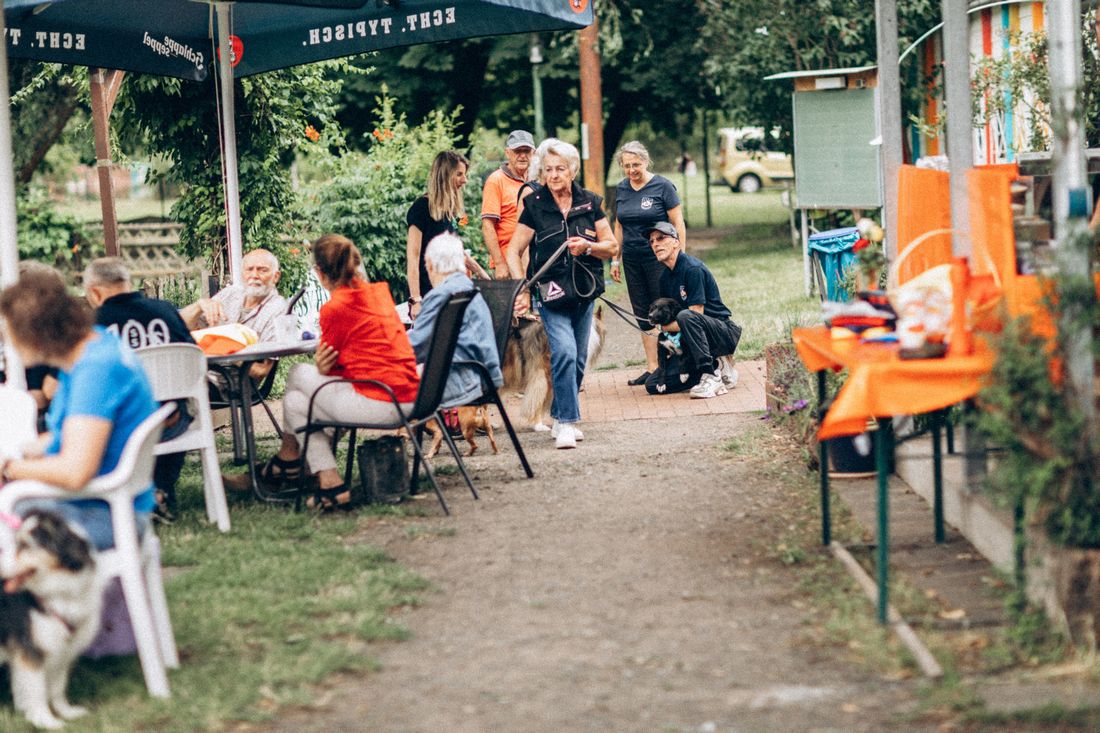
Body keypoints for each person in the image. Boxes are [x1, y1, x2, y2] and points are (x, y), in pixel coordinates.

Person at [0, 268, 159, 550]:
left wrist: (11, 468)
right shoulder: (95, 344)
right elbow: (77, 433)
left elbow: (75, 472)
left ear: (32, 332)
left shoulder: (94, 371)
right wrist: (24, 450)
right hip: (106, 502)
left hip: (101, 513)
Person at [262, 234, 419, 511]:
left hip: (382, 401)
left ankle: (287, 460)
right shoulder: (379, 293)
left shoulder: (335, 308)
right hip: (411, 396)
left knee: (298, 373)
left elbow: (330, 371)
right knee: (296, 403)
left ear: (319, 273)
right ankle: (330, 483)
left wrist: (323, 367)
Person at [505, 139, 616, 449]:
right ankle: (567, 422)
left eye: (560, 169)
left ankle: (557, 412)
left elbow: (611, 246)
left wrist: (589, 247)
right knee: (564, 352)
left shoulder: (590, 202)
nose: (553, 175)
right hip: (550, 293)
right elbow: (513, 251)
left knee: (578, 358)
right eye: (548, 169)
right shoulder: (535, 205)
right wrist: (521, 287)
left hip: (584, 291)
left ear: (572, 171)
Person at [84, 257, 196, 520]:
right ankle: (160, 489)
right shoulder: (165, 311)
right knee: (171, 404)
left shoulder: (92, 326)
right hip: (170, 422)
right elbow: (193, 356)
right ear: (128, 283)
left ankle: (120, 495)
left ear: (95, 292)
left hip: (118, 428)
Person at [612, 141, 686, 387]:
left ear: (646, 161)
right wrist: (615, 258)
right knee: (643, 313)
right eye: (626, 166)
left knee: (665, 311)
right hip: (632, 259)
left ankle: (674, 366)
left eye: (636, 164)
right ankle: (653, 367)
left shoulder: (662, 186)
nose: (631, 170)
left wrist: (679, 256)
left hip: (659, 258)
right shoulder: (621, 189)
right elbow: (619, 225)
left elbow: (678, 222)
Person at [646, 221, 742, 399]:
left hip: (720, 334)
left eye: (661, 238)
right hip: (689, 342)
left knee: (686, 316)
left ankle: (712, 375)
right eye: (652, 241)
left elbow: (695, 315)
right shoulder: (664, 277)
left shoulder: (692, 269)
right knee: (652, 385)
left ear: (676, 242)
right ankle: (717, 367)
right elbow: (667, 319)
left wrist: (663, 327)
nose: (655, 244)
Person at [409, 233, 502, 407]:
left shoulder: (443, 295)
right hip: (485, 376)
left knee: (385, 382)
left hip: (459, 380)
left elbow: (416, 347)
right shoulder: (467, 288)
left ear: (430, 265)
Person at [178, 248, 288, 379]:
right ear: (242, 274)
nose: (254, 275)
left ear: (276, 276)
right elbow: (179, 326)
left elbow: (262, 370)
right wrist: (199, 305)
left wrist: (227, 349)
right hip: (198, 371)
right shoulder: (230, 293)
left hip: (231, 382)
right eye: (249, 269)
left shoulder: (278, 309)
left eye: (262, 270)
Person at [406, 150, 469, 319]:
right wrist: (416, 300)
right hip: (428, 297)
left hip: (448, 294)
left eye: (465, 175)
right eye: (459, 174)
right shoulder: (421, 208)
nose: (465, 180)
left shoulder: (449, 212)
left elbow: (458, 254)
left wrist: (485, 277)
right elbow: (413, 257)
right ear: (444, 175)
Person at [481, 130, 536, 279]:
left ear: (534, 153)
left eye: (527, 151)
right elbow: (487, 225)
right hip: (508, 263)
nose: (522, 156)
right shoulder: (496, 180)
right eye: (517, 151)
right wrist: (499, 264)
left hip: (536, 262)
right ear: (507, 153)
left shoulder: (537, 180)